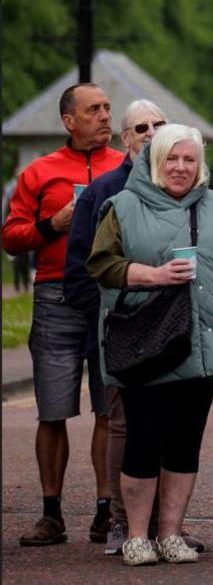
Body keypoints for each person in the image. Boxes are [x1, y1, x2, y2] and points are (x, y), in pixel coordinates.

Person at [87, 125, 213, 565]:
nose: (180, 167)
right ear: (154, 161)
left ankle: (171, 533)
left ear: (200, 165)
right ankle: (137, 534)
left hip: (206, 344)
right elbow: (100, 265)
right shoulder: (122, 207)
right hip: (149, 342)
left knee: (185, 441)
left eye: (189, 160)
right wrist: (151, 275)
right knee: (144, 438)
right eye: (172, 159)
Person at [2, 83, 125, 547]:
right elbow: (11, 237)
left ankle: (104, 511)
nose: (105, 117)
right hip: (55, 295)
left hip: (108, 295)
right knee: (52, 410)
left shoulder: (125, 167)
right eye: (94, 110)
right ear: (68, 121)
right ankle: (50, 514)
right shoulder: (40, 172)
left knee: (108, 408)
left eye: (108, 108)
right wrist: (52, 225)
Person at [64, 100, 180, 555]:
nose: (152, 133)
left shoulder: (183, 186)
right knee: (122, 423)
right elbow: (80, 272)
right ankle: (119, 521)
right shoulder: (103, 193)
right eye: (141, 127)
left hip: (176, 333)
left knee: (171, 425)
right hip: (123, 330)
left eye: (160, 125)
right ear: (125, 139)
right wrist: (119, 316)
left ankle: (166, 525)